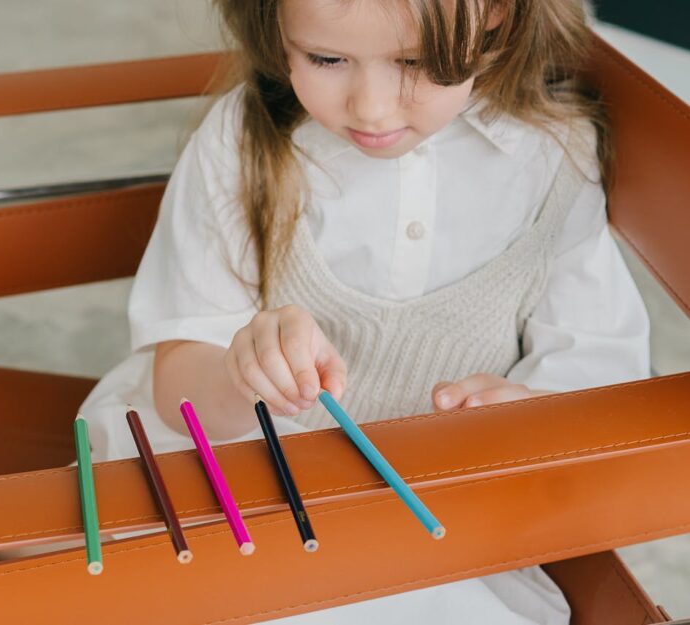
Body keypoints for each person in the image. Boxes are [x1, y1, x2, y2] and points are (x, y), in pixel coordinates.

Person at [78, 0, 649, 621]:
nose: (371, 107)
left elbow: (598, 372)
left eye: (417, 62)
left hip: (436, 515)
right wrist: (241, 373)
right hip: (245, 486)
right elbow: (179, 384)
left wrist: (531, 413)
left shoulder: (554, 159)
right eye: (325, 58)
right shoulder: (244, 140)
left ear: (497, 14)